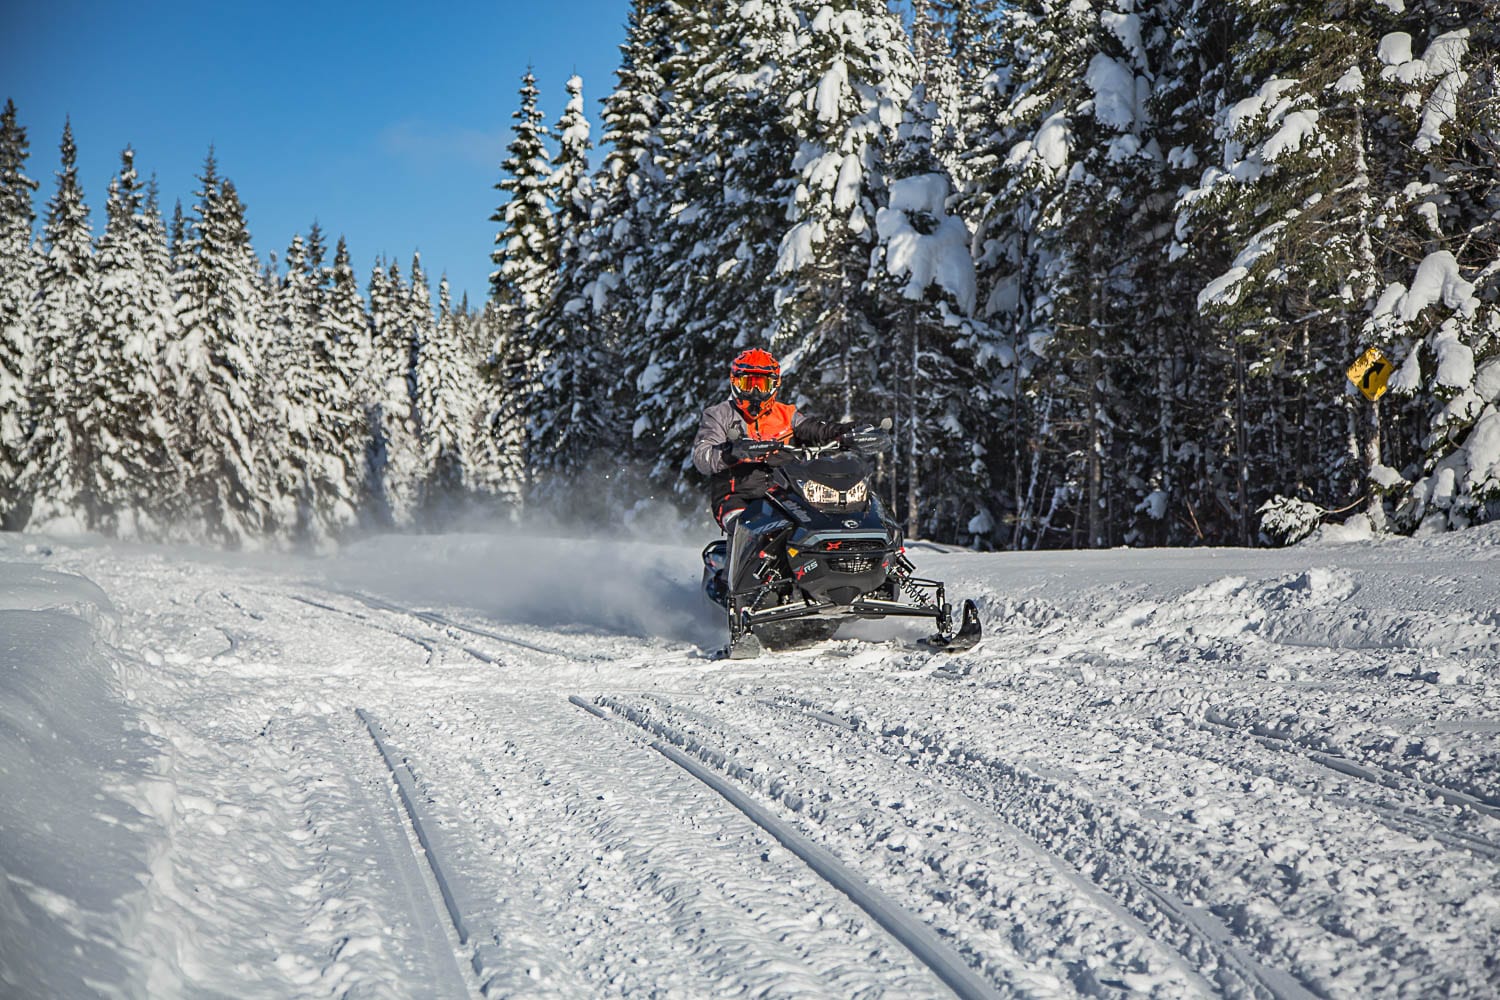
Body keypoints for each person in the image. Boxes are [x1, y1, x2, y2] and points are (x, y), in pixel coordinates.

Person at [691, 348, 852, 530]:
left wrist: (844, 432)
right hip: (736, 496)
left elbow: (816, 430)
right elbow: (701, 457)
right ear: (735, 383)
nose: (755, 392)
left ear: (774, 385)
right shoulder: (719, 415)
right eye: (748, 384)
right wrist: (732, 452)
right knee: (748, 529)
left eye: (762, 385)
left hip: (784, 493)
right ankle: (739, 556)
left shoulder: (786, 414)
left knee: (818, 522)